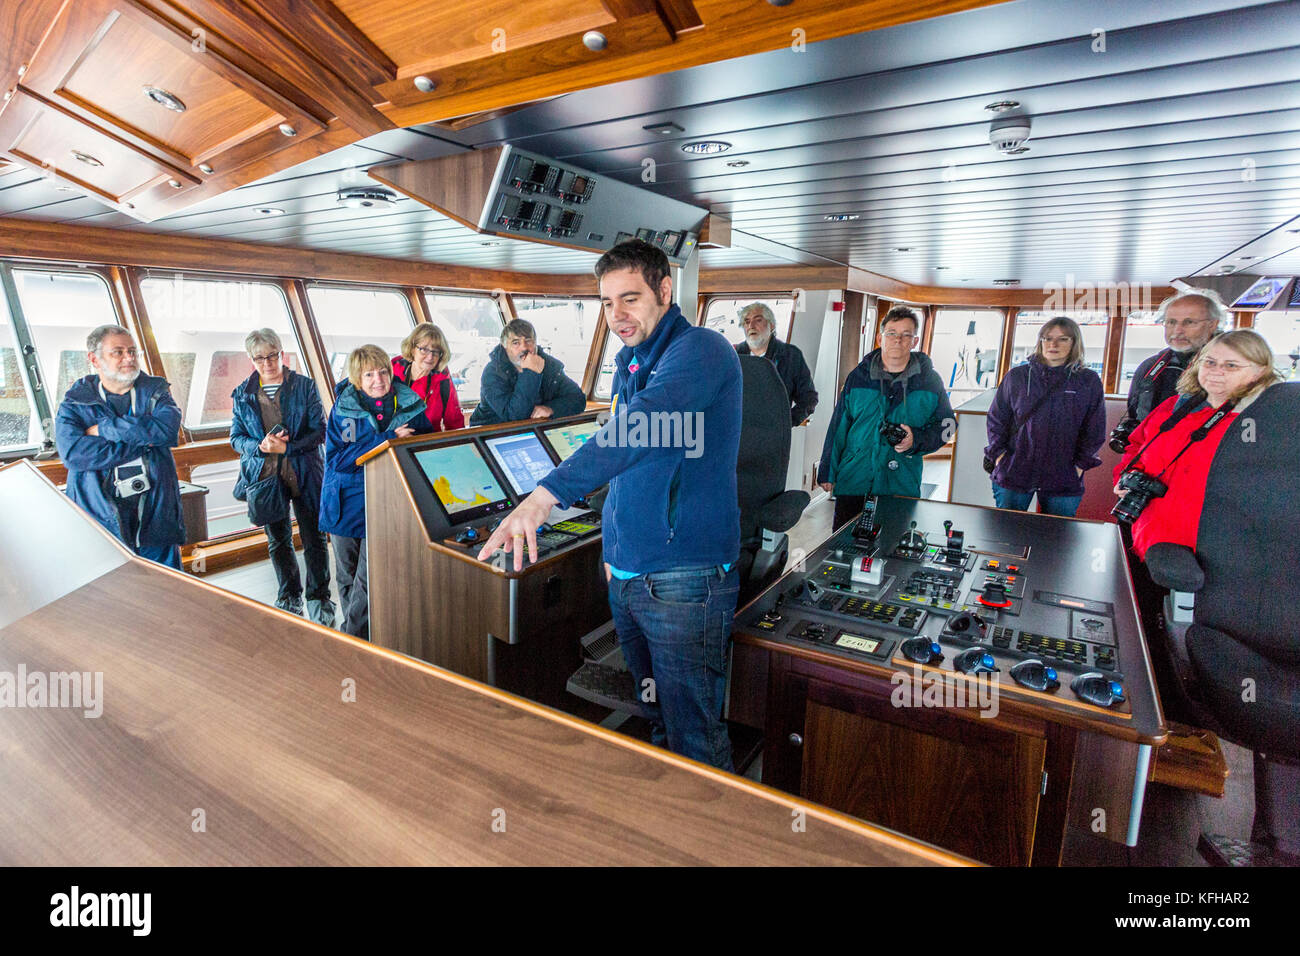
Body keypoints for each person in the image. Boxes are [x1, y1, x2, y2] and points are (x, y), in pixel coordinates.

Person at [475, 239, 743, 772]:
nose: (616, 315)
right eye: (606, 302)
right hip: (628, 574)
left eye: (630, 298)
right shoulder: (628, 363)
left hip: (683, 579)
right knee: (655, 716)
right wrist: (614, 550)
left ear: (665, 292)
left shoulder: (701, 352)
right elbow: (625, 463)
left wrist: (542, 498)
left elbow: (636, 430)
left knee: (695, 734)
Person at [1114, 329, 1283, 561]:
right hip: (1147, 534)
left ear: (1259, 371)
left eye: (1231, 365)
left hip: (1213, 552)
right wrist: (1127, 476)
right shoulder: (1177, 405)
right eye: (1210, 362)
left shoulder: (1264, 421)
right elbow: (1136, 446)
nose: (1216, 371)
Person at [319, 345, 433, 639]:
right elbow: (340, 460)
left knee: (369, 580)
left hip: (385, 505)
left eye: (382, 372)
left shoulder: (411, 405)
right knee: (346, 578)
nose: (378, 380)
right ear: (357, 378)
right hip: (344, 503)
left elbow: (428, 448)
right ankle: (363, 636)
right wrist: (387, 439)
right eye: (369, 374)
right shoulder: (344, 412)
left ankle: (352, 637)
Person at [55, 325, 184, 568]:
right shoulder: (75, 402)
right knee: (112, 594)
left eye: (133, 351)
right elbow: (74, 455)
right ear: (94, 359)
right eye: (118, 352)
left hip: (155, 513)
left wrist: (105, 429)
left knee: (168, 591)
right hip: (100, 515)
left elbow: (167, 431)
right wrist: (142, 443)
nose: (129, 358)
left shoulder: (156, 391)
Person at [229, 329, 334, 626]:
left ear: (281, 353)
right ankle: (289, 596)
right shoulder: (242, 393)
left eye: (272, 355)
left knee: (314, 537)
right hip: (265, 476)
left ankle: (320, 595)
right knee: (278, 539)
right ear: (251, 359)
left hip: (305, 472)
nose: (267, 363)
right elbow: (236, 438)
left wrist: (289, 446)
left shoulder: (305, 386)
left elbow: (320, 431)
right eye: (260, 358)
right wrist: (259, 446)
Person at [818, 306, 956, 528]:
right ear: (880, 337)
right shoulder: (858, 377)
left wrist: (917, 440)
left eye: (906, 335)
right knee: (843, 548)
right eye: (892, 333)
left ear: (914, 341)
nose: (898, 340)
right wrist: (827, 469)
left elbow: (948, 425)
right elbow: (838, 426)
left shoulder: (930, 381)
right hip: (855, 479)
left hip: (901, 483)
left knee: (893, 548)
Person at [984, 317, 1105, 517]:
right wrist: (999, 457)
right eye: (1047, 338)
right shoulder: (1017, 377)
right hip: (1014, 471)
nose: (1053, 344)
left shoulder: (1088, 381)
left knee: (1057, 539)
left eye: (1062, 339)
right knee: (1006, 534)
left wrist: (1079, 466)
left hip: (1063, 476)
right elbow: (997, 419)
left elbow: (1094, 429)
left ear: (1074, 343)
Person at [1115, 289, 1224, 443]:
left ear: (1213, 324)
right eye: (1171, 322)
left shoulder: (1233, 368)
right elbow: (1135, 415)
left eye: (1189, 322)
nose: (1177, 331)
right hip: (1151, 456)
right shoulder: (1150, 367)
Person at [469, 319, 586, 426]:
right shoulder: (493, 373)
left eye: (528, 341)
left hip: (534, 430)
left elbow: (578, 399)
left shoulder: (549, 366)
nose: (524, 347)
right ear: (504, 346)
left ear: (535, 343)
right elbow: (515, 416)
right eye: (516, 343)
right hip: (488, 433)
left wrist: (551, 409)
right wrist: (531, 372)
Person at [735, 302, 818, 425]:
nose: (751, 326)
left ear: (771, 325)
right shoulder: (734, 356)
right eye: (746, 322)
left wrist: (785, 423)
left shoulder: (790, 356)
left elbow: (808, 399)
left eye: (757, 320)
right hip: (739, 432)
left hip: (774, 436)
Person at [391, 322, 466, 432]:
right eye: (424, 349)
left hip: (428, 444)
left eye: (436, 351)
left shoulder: (443, 381)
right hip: (394, 441)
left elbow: (455, 423)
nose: (430, 356)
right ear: (412, 349)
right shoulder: (391, 373)